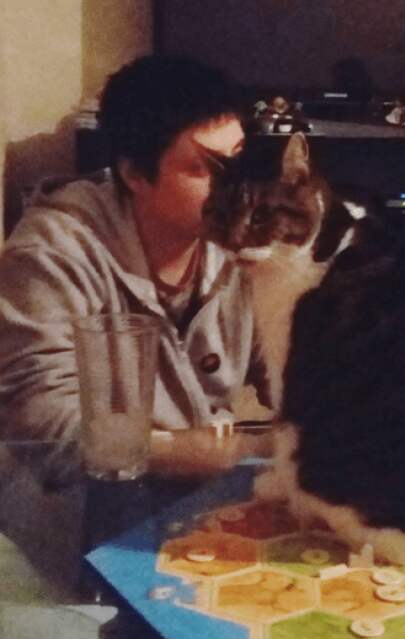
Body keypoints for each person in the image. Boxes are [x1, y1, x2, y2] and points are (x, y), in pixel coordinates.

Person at [0, 55, 269, 478]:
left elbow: (296, 372)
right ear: (134, 175)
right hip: (87, 500)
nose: (234, 189)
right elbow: (42, 423)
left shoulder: (242, 242)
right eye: (202, 169)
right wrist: (180, 451)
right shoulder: (53, 250)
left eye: (235, 160)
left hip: (195, 493)